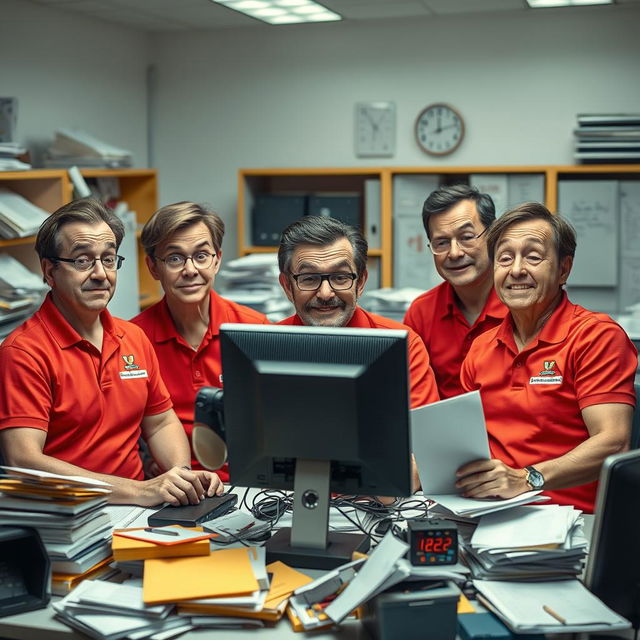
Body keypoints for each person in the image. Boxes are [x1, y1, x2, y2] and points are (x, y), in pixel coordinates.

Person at [0, 198, 222, 506]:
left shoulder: (133, 337)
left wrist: (179, 477)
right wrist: (140, 491)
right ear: (49, 271)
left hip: (136, 512)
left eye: (108, 259)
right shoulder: (24, 351)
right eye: (82, 261)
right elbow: (23, 460)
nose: (100, 274)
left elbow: (160, 423)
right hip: (68, 516)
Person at [456, 202, 636, 513]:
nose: (516, 270)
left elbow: (612, 442)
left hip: (572, 518)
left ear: (563, 269)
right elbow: (463, 442)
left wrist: (528, 478)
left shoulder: (596, 336)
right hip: (490, 512)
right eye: (504, 258)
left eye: (533, 257)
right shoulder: (480, 347)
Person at [131, 202, 268, 480]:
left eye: (201, 256)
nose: (190, 269)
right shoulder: (132, 340)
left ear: (217, 260)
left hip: (246, 485)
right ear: (153, 267)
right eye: (174, 258)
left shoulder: (254, 329)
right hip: (169, 486)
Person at [277, 215, 439, 410]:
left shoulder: (404, 346)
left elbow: (421, 433)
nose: (326, 293)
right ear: (287, 286)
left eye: (340, 277)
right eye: (309, 278)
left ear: (360, 283)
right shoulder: (264, 346)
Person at [404, 185, 508, 398]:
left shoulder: (522, 303)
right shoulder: (422, 312)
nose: (454, 253)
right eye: (441, 242)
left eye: (467, 237)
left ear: (493, 235)